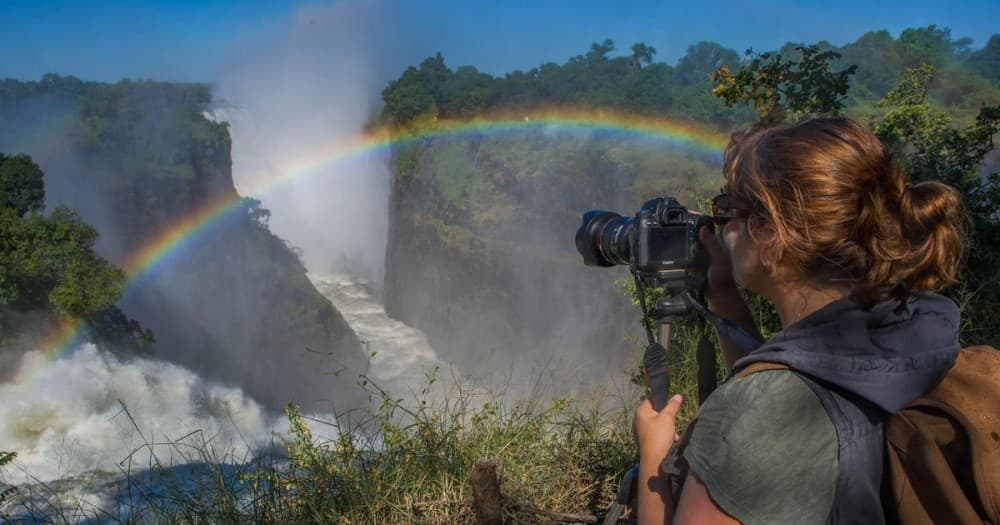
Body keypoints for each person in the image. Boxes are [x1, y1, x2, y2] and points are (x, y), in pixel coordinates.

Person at [633, 116, 967, 524]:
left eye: (728, 210)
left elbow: (777, 403)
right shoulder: (918, 322)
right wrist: (722, 292)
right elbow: (804, 379)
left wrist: (652, 457)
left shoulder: (759, 414)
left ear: (774, 236)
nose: (722, 228)